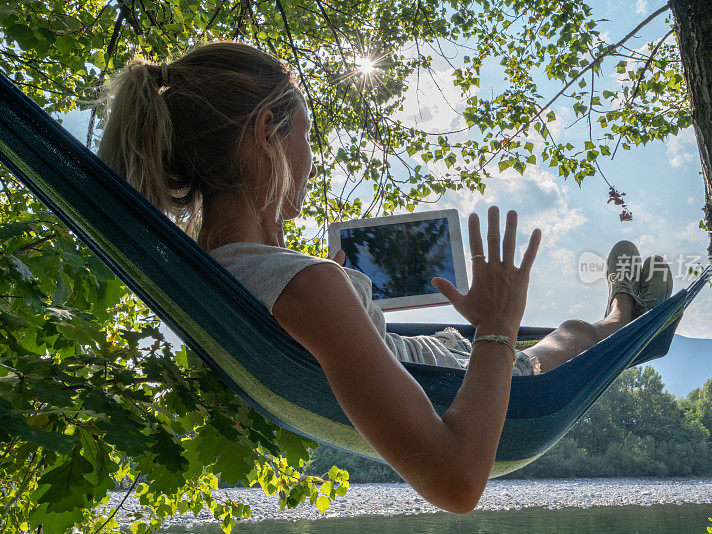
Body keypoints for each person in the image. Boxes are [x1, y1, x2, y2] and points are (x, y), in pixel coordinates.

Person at [97, 41, 673, 513]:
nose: (311, 161)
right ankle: (628, 314)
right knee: (569, 335)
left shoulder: (210, 274)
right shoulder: (308, 288)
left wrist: (351, 295)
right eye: (304, 137)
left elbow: (299, 302)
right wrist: (498, 325)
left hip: (422, 356)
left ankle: (628, 316)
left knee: (554, 332)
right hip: (462, 381)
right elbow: (456, 483)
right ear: (266, 132)